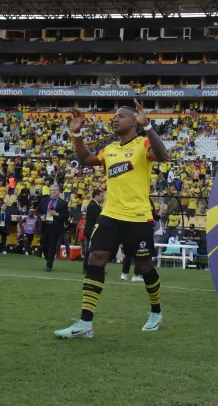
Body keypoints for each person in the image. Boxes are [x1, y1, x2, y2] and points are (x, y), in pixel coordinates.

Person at [54, 100, 170, 339]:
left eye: (120, 116)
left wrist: (148, 127)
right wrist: (76, 132)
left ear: (133, 122)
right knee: (95, 259)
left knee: (144, 266)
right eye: (114, 116)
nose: (114, 119)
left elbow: (163, 155)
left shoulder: (143, 143)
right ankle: (85, 323)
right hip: (111, 215)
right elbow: (86, 158)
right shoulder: (110, 149)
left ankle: (156, 312)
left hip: (138, 217)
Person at [37, 184, 69, 271]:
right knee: (43, 244)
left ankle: (49, 264)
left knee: (52, 245)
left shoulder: (63, 203)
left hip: (55, 227)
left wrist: (57, 214)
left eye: (55, 190)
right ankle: (49, 259)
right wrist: (40, 217)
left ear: (59, 192)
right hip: (45, 225)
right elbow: (38, 211)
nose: (53, 192)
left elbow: (66, 215)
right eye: (52, 190)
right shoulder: (44, 200)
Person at [83, 189, 104, 274]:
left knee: (93, 249)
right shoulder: (93, 205)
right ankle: (87, 267)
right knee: (90, 250)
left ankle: (92, 267)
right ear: (96, 196)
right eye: (101, 196)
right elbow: (101, 217)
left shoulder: (94, 205)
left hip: (92, 231)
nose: (103, 198)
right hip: (91, 231)